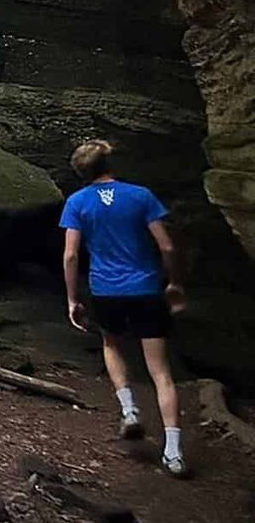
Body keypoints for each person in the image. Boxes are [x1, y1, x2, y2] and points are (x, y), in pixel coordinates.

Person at [61, 139, 188, 476]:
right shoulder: (140, 196)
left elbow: (71, 254)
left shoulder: (77, 202)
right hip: (146, 288)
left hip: (105, 290)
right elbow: (167, 246)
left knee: (111, 344)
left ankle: (129, 409)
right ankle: (173, 452)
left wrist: (73, 298)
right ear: (110, 163)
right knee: (161, 373)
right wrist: (174, 282)